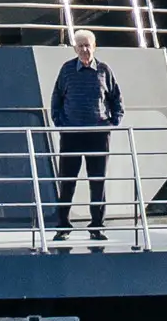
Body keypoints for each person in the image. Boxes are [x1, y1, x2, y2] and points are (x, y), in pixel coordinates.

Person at [45, 27, 123, 243]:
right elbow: (57, 98)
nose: (85, 49)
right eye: (80, 46)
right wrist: (61, 123)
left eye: (88, 45)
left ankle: (97, 225)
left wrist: (114, 120)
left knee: (97, 180)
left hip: (98, 133)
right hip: (72, 133)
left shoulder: (104, 70)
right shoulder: (67, 70)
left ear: (94, 46)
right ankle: (63, 225)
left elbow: (116, 97)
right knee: (67, 180)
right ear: (75, 48)